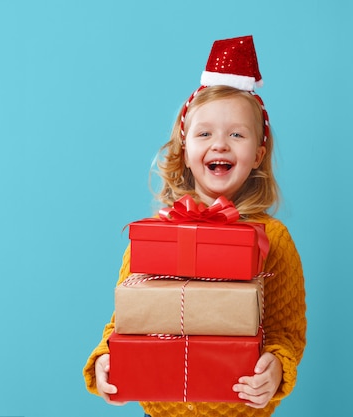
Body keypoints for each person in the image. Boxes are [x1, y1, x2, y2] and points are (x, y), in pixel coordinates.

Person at [83, 35, 306, 417]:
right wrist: (106, 360)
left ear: (258, 154)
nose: (220, 144)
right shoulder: (155, 233)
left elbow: (286, 332)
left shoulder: (273, 239)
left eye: (237, 134)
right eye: (205, 134)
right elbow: (126, 320)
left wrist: (278, 367)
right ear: (184, 150)